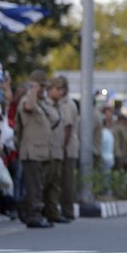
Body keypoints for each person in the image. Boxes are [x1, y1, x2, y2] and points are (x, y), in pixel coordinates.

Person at [16, 70, 55, 228]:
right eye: (41, 86)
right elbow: (29, 107)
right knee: (34, 186)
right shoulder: (28, 100)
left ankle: (30, 210)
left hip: (42, 152)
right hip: (31, 151)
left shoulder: (41, 102)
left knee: (39, 185)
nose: (43, 90)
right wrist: (32, 89)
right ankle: (33, 215)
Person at [55, 77, 79, 221]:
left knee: (66, 181)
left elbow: (67, 128)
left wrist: (61, 147)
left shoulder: (67, 104)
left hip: (67, 148)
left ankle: (67, 210)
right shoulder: (60, 103)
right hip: (63, 146)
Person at [45, 76, 69, 223]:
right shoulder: (45, 106)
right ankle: (40, 211)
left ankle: (53, 213)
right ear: (50, 90)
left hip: (58, 150)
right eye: (57, 89)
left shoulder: (59, 106)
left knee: (55, 184)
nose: (61, 92)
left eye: (62, 89)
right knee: (45, 182)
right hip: (47, 151)